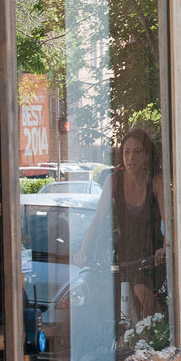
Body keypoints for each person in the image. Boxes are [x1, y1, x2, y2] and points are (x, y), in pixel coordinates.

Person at [76, 127, 166, 322]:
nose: (130, 157)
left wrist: (165, 248)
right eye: (126, 152)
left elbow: (169, 222)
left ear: (147, 156)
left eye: (137, 152)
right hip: (124, 254)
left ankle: (159, 328)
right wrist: (83, 250)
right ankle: (123, 336)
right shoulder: (114, 180)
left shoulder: (156, 181)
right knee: (114, 306)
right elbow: (98, 220)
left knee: (142, 293)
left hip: (151, 255)